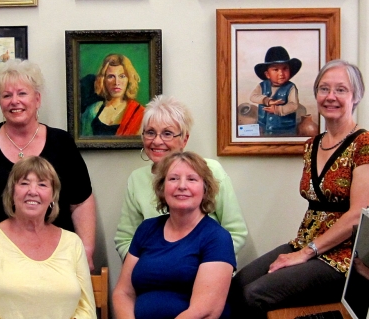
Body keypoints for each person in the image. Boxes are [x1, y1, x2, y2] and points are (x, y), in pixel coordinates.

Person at [234, 59, 369, 318]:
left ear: (356, 96)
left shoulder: (364, 143)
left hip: (342, 258)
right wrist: (302, 251)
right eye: (324, 89)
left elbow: (357, 214)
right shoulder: (312, 144)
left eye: (341, 90)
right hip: (304, 243)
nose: (331, 96)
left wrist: (306, 254)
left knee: (254, 295)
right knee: (239, 283)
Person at [0, 59, 96, 270]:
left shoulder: (61, 143)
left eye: (22, 93)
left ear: (37, 99)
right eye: (6, 95)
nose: (14, 101)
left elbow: (81, 201)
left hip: (55, 259)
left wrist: (87, 251)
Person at [114, 95, 248, 262]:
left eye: (167, 133)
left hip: (206, 272)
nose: (157, 141)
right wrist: (151, 268)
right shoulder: (136, 179)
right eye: (150, 132)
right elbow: (125, 240)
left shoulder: (211, 170)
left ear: (184, 139)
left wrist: (201, 266)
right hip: (154, 276)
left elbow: (236, 232)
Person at [0, 156, 97, 319]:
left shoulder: (73, 243)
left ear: (53, 196)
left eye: (42, 184)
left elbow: (87, 310)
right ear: (12, 192)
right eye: (24, 183)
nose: (33, 191)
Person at [113, 151, 236, 319]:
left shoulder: (217, 238)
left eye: (192, 179)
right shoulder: (146, 229)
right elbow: (123, 292)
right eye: (173, 179)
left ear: (205, 189)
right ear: (162, 188)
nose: (182, 186)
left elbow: (205, 310)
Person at [81, 54, 144, 136]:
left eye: (122, 76)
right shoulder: (92, 111)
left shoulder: (140, 113)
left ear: (129, 80)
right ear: (103, 80)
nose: (116, 82)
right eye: (111, 76)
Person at [250, 46, 302, 136]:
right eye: (275, 70)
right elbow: (253, 96)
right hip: (263, 127)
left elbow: (293, 105)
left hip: (285, 130)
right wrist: (267, 100)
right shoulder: (262, 85)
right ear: (267, 74)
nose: (281, 73)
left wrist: (277, 109)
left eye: (285, 68)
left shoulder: (291, 87)